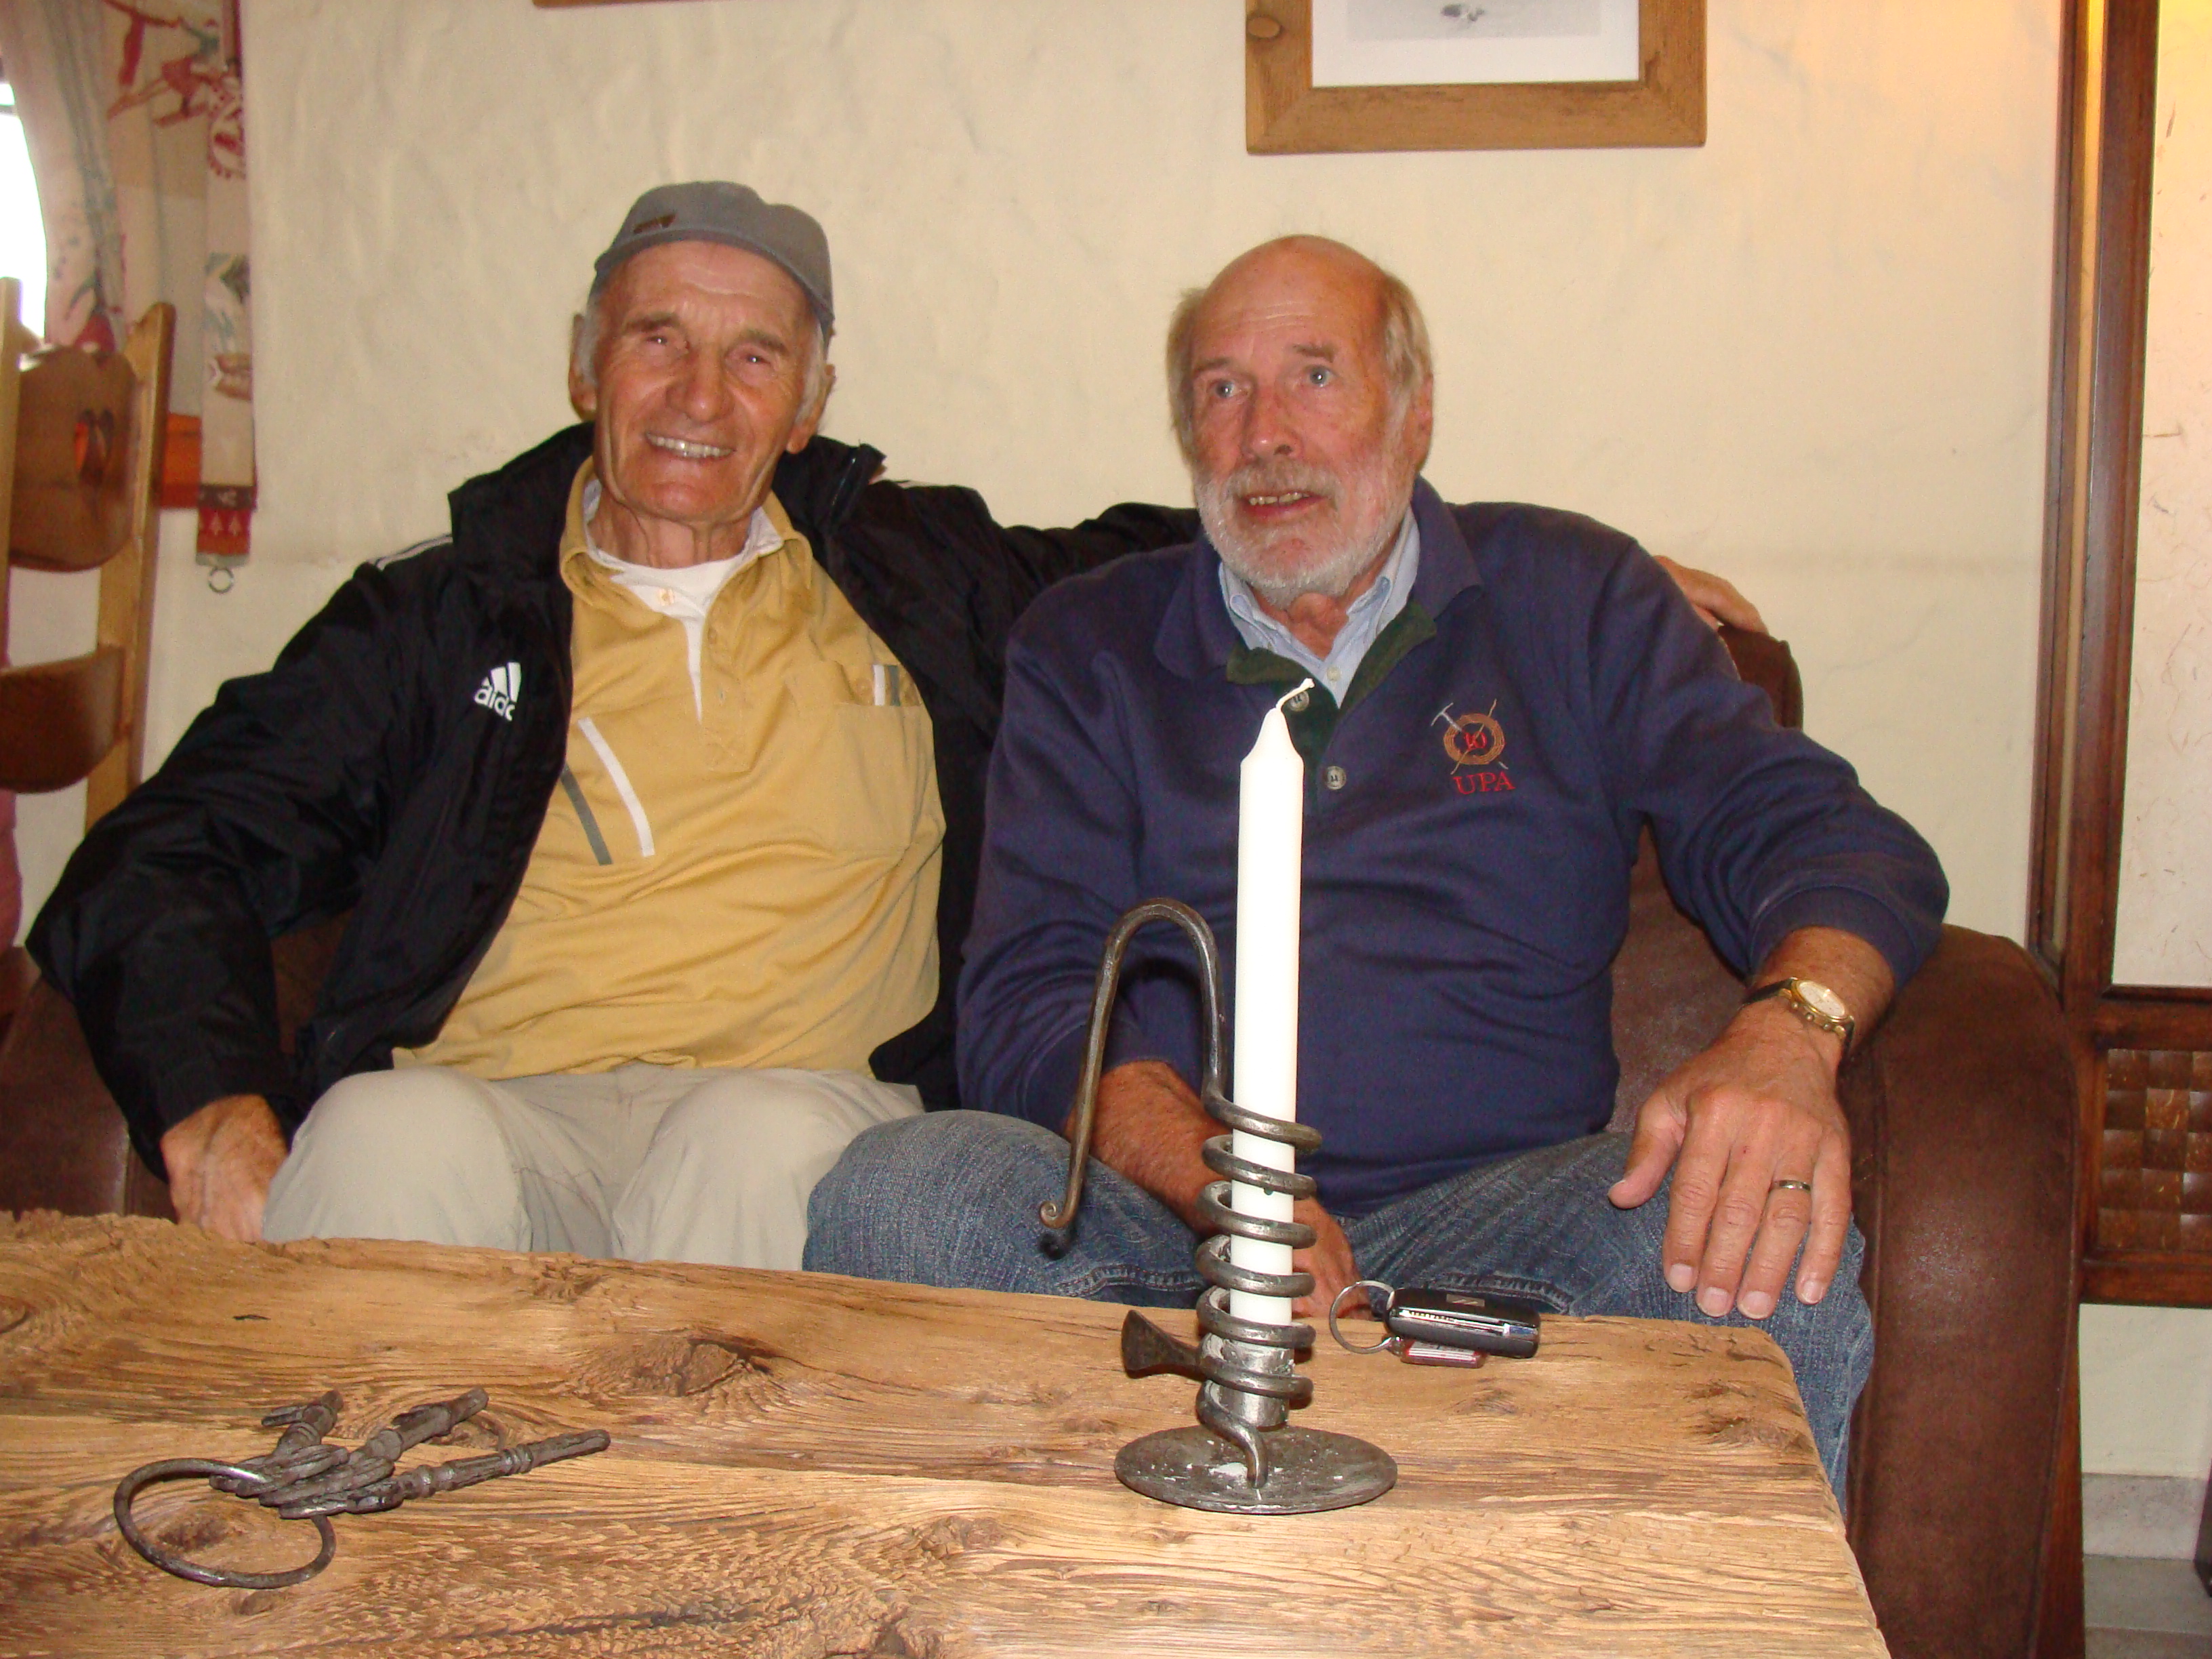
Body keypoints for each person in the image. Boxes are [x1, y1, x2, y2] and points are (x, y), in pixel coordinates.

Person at [30, 190, 1757, 1274]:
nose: (700, 397)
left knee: (767, 1154)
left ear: (811, 400)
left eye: (755, 356)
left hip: (785, 1105)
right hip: (490, 1106)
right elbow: (162, 853)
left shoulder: (920, 580)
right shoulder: (438, 617)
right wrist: (211, 1103)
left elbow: (1238, 532)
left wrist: (1549, 563)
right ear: (584, 366)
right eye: (658, 340)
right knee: (374, 1138)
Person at [804, 236, 1948, 1494]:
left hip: (1516, 1229)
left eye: (1315, 376)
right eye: (1225, 390)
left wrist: (1791, 1036)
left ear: (1415, 412)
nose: (1266, 433)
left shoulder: (1574, 598)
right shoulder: (1093, 644)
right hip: (1167, 1238)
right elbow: (1032, 995)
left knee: (1763, 1231)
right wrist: (1226, 1192)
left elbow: (1827, 837)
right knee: (903, 1191)